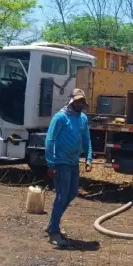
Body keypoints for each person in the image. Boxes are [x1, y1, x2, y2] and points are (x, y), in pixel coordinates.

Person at [44, 88, 93, 247]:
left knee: (71, 193)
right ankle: (54, 233)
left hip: (73, 162)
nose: (79, 104)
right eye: (77, 100)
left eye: (82, 101)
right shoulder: (60, 118)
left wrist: (89, 157)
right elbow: (50, 140)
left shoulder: (83, 119)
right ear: (71, 100)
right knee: (61, 195)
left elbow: (86, 139)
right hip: (61, 161)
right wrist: (51, 163)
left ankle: (53, 223)